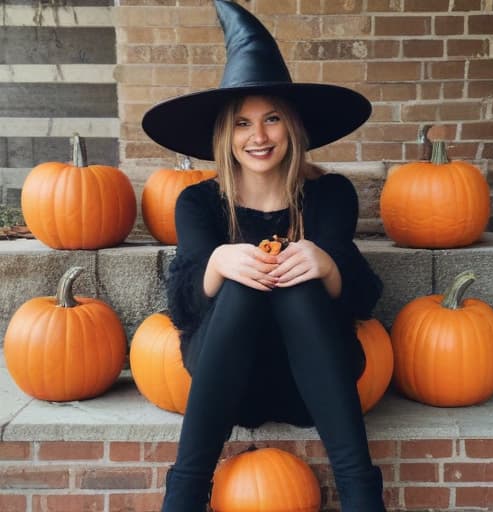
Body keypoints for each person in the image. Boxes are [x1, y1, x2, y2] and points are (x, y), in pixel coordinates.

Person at [141, 2, 386, 511]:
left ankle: (362, 494)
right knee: (243, 277)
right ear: (225, 137)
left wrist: (326, 264)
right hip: (229, 381)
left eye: (271, 119)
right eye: (243, 123)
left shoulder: (329, 195)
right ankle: (184, 494)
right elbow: (181, 308)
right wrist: (216, 265)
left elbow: (364, 299)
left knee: (296, 275)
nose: (258, 136)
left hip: (314, 381)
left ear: (291, 127)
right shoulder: (198, 202)